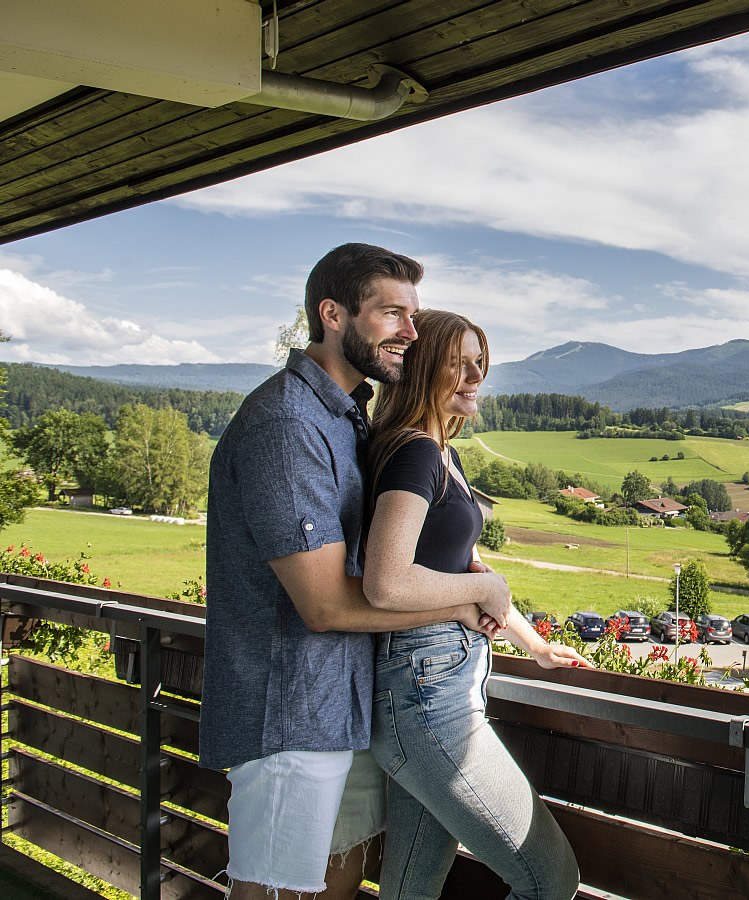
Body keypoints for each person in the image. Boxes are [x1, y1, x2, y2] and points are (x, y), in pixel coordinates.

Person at [200, 244, 508, 900]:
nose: (411, 332)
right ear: (333, 315)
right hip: (289, 712)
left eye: (413, 316)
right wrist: (465, 601)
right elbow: (324, 605)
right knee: (273, 893)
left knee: (328, 887)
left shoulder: (344, 418)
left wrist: (460, 569)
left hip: (343, 706)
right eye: (391, 313)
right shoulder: (287, 423)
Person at [362, 308, 589, 900]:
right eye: (456, 363)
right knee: (551, 879)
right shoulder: (414, 453)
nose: (474, 376)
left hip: (429, 687)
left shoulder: (442, 454)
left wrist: (534, 645)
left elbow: (467, 571)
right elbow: (386, 582)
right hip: (426, 697)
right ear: (420, 371)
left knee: (409, 892)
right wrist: (481, 592)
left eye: (478, 362)